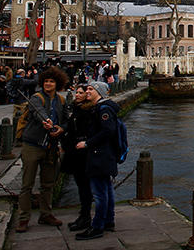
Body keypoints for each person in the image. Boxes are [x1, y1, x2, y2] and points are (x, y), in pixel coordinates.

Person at [16, 66, 68, 233]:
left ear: (57, 84)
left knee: (48, 183)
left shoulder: (61, 100)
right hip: (33, 144)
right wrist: (45, 121)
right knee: (27, 184)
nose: (48, 84)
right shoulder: (36, 97)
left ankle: (46, 213)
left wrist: (61, 128)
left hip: (51, 146)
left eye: (51, 81)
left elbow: (66, 120)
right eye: (46, 81)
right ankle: (23, 218)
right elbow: (36, 110)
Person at [75, 81, 120, 241]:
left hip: (100, 155)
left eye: (90, 89)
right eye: (87, 89)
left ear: (99, 92)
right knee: (106, 189)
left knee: (100, 193)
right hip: (105, 155)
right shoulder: (102, 108)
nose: (87, 91)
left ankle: (98, 226)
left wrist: (87, 143)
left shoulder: (103, 109)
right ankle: (108, 221)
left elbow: (108, 130)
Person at [61, 83, 96, 231]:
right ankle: (83, 216)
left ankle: (86, 217)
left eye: (82, 93)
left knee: (84, 186)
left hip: (82, 153)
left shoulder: (88, 112)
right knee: (81, 185)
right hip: (74, 151)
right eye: (78, 92)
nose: (78, 95)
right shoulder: (76, 109)